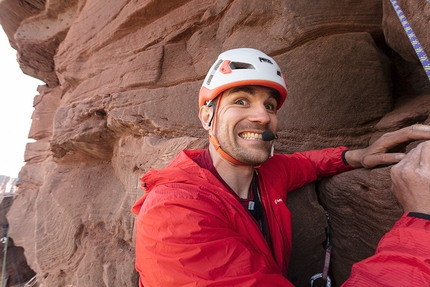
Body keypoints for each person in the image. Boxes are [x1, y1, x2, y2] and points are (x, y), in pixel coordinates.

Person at [132, 48, 430, 286]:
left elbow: (307, 164)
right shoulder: (173, 213)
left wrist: (357, 156)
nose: (262, 116)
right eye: (242, 101)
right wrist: (421, 218)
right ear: (207, 117)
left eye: (270, 106)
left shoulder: (265, 175)